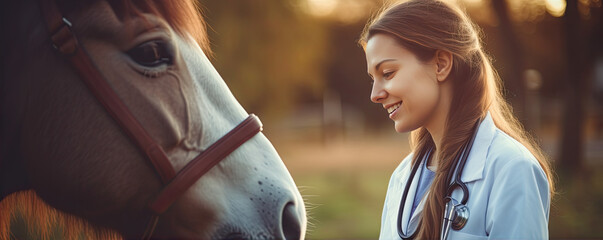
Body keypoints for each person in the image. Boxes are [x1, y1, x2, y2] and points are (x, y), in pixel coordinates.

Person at [358, 0, 555, 239]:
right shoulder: (402, 177)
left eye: (387, 73)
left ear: (441, 64)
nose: (374, 95)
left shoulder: (512, 169)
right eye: (373, 79)